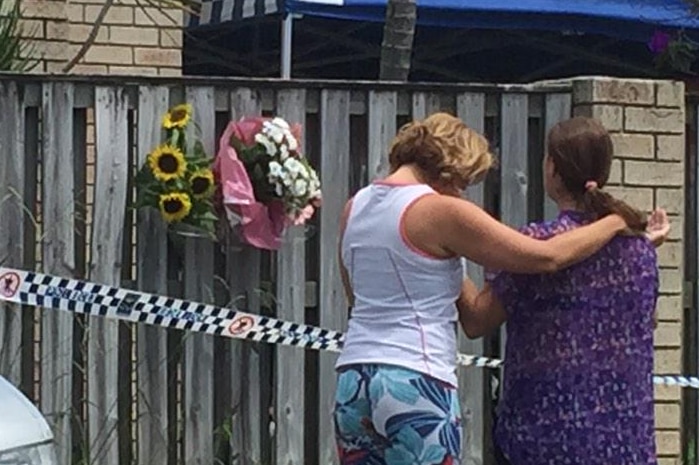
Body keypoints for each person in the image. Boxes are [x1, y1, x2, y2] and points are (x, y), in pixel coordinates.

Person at [332, 112, 659, 465]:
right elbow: (547, 256)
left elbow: (357, 297)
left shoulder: (356, 207)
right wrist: (616, 221)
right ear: (450, 169)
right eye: (464, 182)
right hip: (416, 379)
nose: (463, 191)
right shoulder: (441, 210)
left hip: (354, 379)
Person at [459, 116, 667, 465]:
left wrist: (447, 255)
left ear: (552, 168)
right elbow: (647, 320)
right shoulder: (640, 251)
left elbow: (478, 320)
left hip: (542, 436)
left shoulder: (536, 243)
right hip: (625, 440)